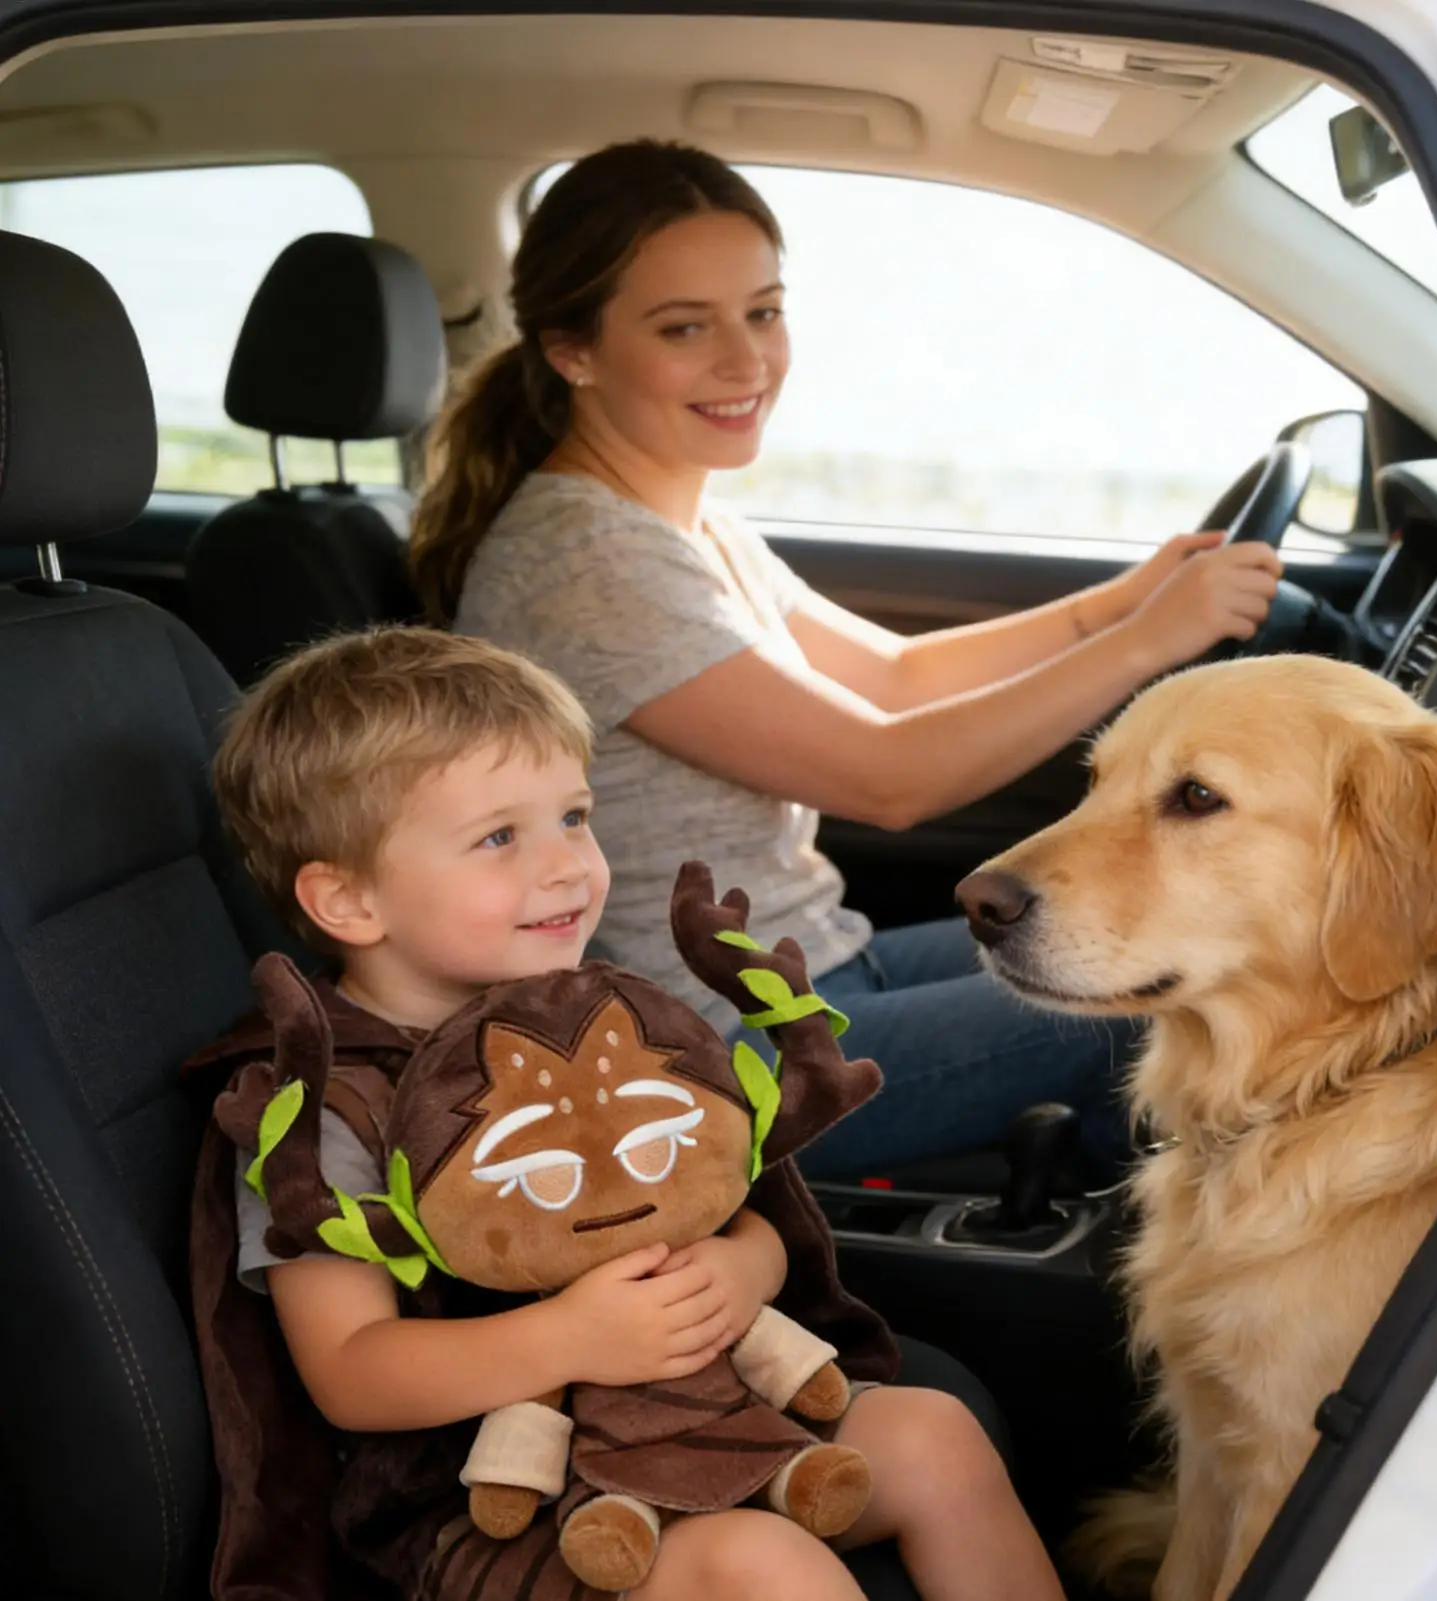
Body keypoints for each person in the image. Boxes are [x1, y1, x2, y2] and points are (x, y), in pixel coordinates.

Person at [410, 141, 1283, 1180]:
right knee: (1175, 1000)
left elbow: (893, 678)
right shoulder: (584, 558)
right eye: (685, 327)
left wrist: (1116, 603)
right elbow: (889, 775)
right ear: (573, 351)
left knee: (1171, 967)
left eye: (763, 312)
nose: (746, 362)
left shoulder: (681, 521)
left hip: (808, 972)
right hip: (700, 1053)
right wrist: (1154, 638)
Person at [186, 625, 1068, 1601]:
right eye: (499, 836)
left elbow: (740, 1209)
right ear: (348, 901)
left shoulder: (615, 1016)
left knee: (933, 1433)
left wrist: (739, 1268)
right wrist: (569, 1338)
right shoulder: (322, 1108)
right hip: (482, 1498)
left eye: (574, 815)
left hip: (696, 1418)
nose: (569, 864)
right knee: (762, 1564)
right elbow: (350, 1370)